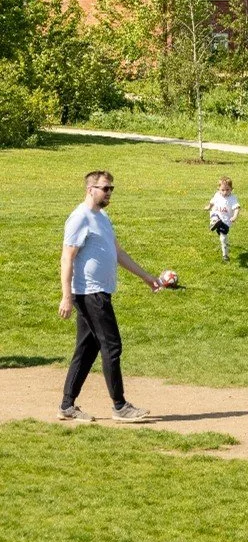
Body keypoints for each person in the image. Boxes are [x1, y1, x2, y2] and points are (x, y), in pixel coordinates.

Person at [58, 170, 161, 423]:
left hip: (99, 292)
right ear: (90, 189)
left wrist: (146, 277)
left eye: (111, 188)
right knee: (112, 346)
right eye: (105, 188)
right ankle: (120, 406)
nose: (109, 193)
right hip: (89, 293)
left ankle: (67, 406)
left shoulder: (102, 217)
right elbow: (67, 257)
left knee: (87, 349)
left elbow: (118, 253)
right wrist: (66, 296)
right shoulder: (79, 218)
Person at [205, 176, 240, 262]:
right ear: (218, 189)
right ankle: (214, 222)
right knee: (214, 215)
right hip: (216, 214)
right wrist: (208, 207)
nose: (225, 192)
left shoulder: (232, 198)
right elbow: (212, 202)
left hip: (226, 221)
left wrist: (234, 216)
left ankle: (225, 255)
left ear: (231, 189)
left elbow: (237, 208)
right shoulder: (217, 195)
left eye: (227, 190)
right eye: (222, 190)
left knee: (223, 237)